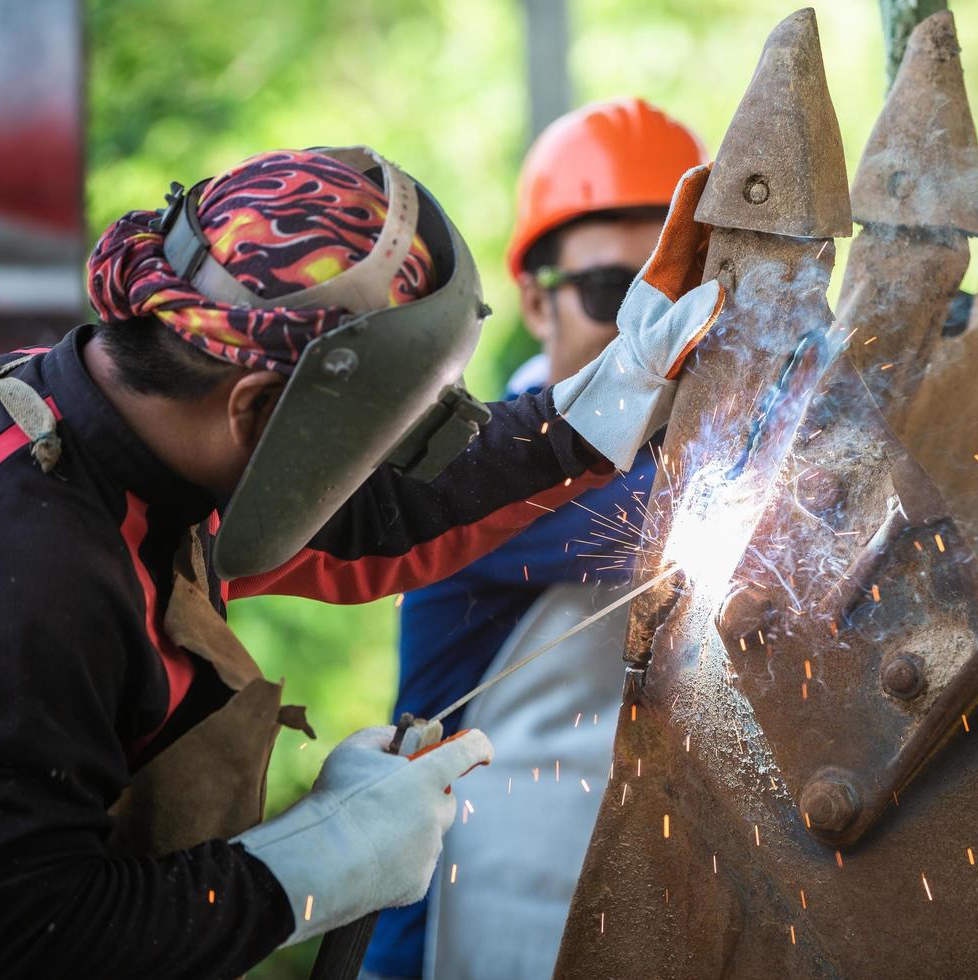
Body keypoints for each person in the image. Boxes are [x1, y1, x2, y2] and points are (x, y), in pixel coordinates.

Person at [0, 142, 720, 977]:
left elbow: (387, 510)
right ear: (256, 409)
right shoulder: (33, 580)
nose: (380, 470)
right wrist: (313, 861)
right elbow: (22, 935)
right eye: (371, 441)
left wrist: (604, 400)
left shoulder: (149, 437)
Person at [360, 99, 708, 980]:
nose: (646, 328)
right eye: (613, 294)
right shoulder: (468, 472)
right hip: (472, 921)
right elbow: (649, 518)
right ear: (533, 297)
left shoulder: (695, 462)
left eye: (673, 296)